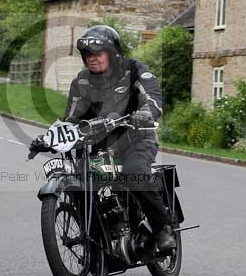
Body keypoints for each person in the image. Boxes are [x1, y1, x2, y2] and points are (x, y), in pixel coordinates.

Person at [31, 25, 175, 251]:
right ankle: (97, 238)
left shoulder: (134, 70)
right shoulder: (81, 82)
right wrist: (49, 139)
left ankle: (162, 228)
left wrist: (146, 112)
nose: (92, 59)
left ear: (113, 53)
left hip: (136, 140)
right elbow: (71, 119)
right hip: (100, 148)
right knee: (79, 181)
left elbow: (153, 97)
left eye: (98, 53)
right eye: (87, 54)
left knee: (134, 172)